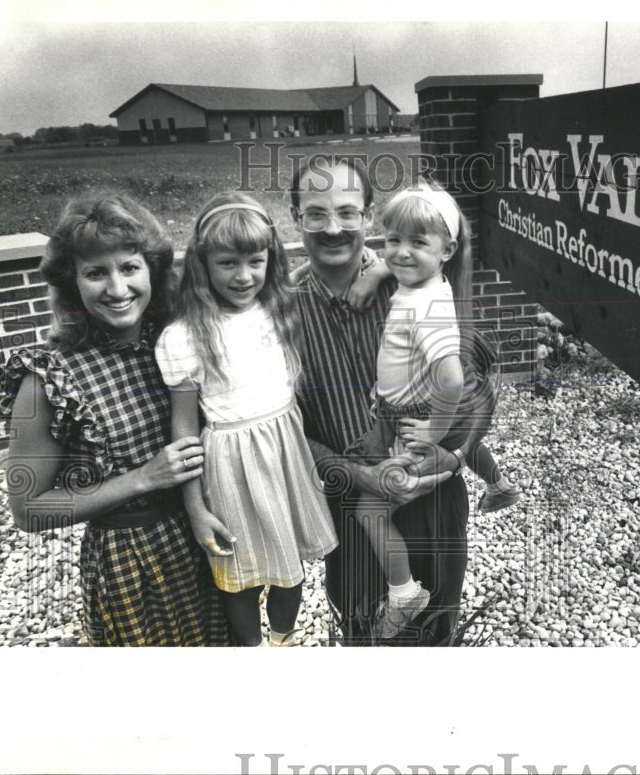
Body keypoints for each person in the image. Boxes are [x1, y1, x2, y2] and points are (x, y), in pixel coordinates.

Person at [0, 192, 233, 646]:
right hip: (131, 560)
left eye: (129, 267)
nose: (118, 288)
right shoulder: (47, 377)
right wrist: (143, 478)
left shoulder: (174, 340)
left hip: (205, 534)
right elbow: (29, 509)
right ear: (72, 284)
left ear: (152, 269)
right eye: (95, 273)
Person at [289, 156, 492, 645]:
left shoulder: (413, 283)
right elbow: (286, 431)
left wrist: (454, 453)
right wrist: (360, 474)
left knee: (435, 638)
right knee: (363, 636)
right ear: (295, 218)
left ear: (367, 215)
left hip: (433, 497)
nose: (332, 227)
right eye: (316, 213)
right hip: (349, 504)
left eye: (347, 211)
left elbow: (482, 386)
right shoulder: (280, 310)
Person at [155, 192, 337, 647]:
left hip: (286, 451)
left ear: (270, 260)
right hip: (231, 461)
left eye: (255, 261)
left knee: (290, 563)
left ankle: (282, 639)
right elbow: (182, 429)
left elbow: (330, 273)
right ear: (202, 264)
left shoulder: (279, 308)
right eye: (227, 263)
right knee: (241, 573)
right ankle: (251, 653)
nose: (243, 276)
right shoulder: (184, 336)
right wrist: (195, 508)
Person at [341, 183, 520, 639]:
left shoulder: (429, 309)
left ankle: (403, 592)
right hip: (401, 414)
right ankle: (497, 484)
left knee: (369, 508)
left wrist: (435, 432)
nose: (399, 253)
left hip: (412, 426)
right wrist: (376, 273)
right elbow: (400, 260)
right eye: (392, 239)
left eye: (417, 243)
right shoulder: (423, 284)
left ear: (447, 250)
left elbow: (452, 379)